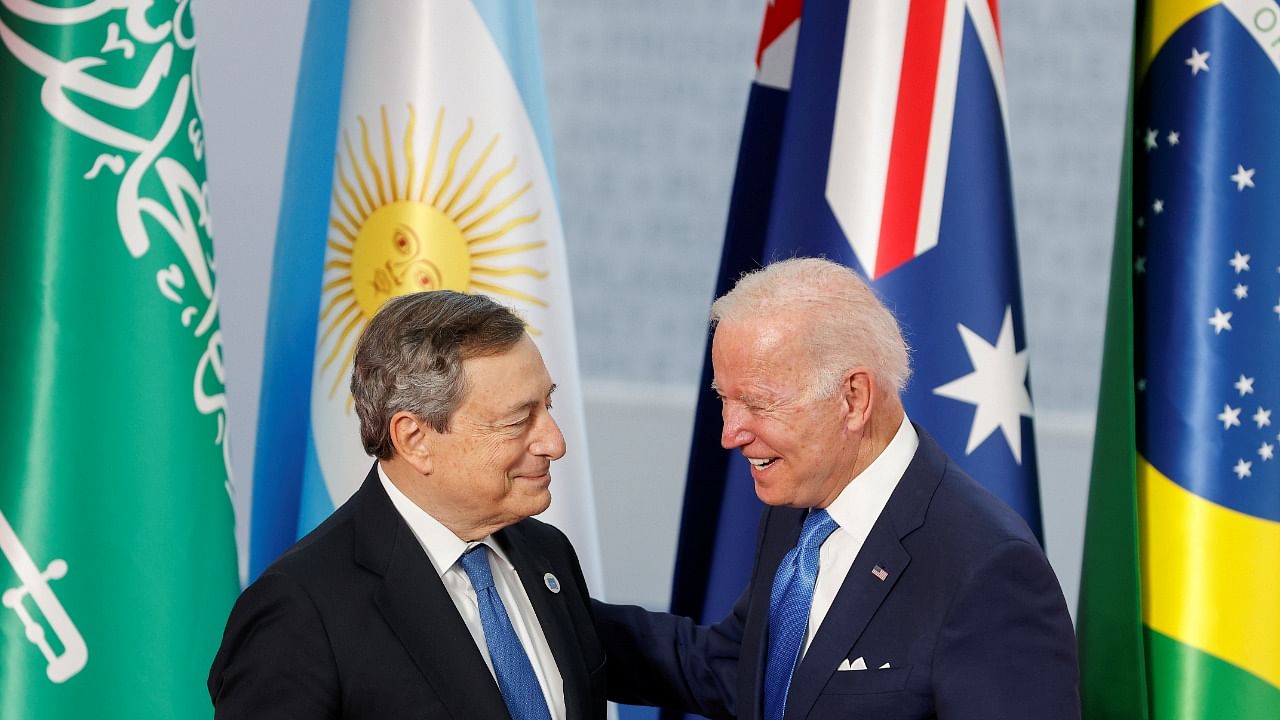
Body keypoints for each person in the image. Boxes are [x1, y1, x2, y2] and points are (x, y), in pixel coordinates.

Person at [593, 257, 1079, 719]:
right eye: (726, 399)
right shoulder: (799, 512)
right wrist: (538, 604)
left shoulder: (986, 567)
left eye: (758, 404)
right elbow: (738, 671)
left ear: (853, 398)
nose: (730, 433)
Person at [209, 291, 605, 719]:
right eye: (516, 421)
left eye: (547, 405)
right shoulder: (300, 610)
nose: (555, 443)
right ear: (415, 440)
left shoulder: (547, 555)